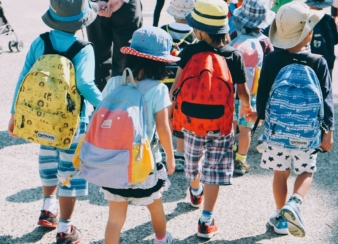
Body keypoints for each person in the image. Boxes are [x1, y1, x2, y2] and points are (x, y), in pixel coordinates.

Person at [7, 0, 102, 243]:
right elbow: (84, 85)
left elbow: (24, 77)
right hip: (72, 123)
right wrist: (106, 105)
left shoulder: (40, 41)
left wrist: (15, 114)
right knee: (69, 172)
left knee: (48, 163)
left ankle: (48, 209)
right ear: (82, 21)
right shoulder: (83, 48)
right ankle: (64, 228)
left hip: (41, 119)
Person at [247, 2, 334, 237]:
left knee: (280, 173)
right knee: (306, 172)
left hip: (277, 132)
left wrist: (261, 116)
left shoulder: (273, 59)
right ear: (308, 32)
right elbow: (326, 99)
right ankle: (294, 203)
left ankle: (281, 218)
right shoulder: (319, 62)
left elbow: (263, 94)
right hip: (307, 133)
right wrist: (328, 130)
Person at [170, 0, 251, 238]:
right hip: (221, 124)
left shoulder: (188, 52)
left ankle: (195, 190)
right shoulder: (233, 55)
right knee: (213, 171)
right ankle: (206, 220)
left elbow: (175, 88)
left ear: (199, 30)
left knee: (192, 162)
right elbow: (243, 93)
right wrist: (247, 108)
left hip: (192, 123)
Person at [100, 26, 176, 244]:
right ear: (160, 62)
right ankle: (161, 239)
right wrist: (170, 157)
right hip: (144, 164)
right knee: (155, 207)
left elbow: (101, 113)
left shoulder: (115, 82)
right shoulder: (158, 89)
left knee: (115, 219)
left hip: (113, 163)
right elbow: (163, 128)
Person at [229, 0, 274, 175]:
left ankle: (228, 153)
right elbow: (269, 65)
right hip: (252, 93)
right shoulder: (264, 41)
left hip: (232, 91)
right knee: (245, 128)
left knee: (231, 125)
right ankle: (241, 160)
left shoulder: (234, 36)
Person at [161, 0, 195, 171]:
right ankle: (180, 153)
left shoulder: (163, 31)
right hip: (184, 83)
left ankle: (160, 148)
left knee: (162, 116)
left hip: (162, 81)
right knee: (181, 118)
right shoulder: (195, 34)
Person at [86, 0, 143, 91]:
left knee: (125, 60)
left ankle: (106, 102)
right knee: (125, 60)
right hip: (121, 6)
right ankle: (115, 101)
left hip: (117, 6)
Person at [305, 0, 338, 78]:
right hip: (327, 59)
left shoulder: (306, 19)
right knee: (325, 84)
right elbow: (336, 39)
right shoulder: (328, 19)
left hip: (309, 59)